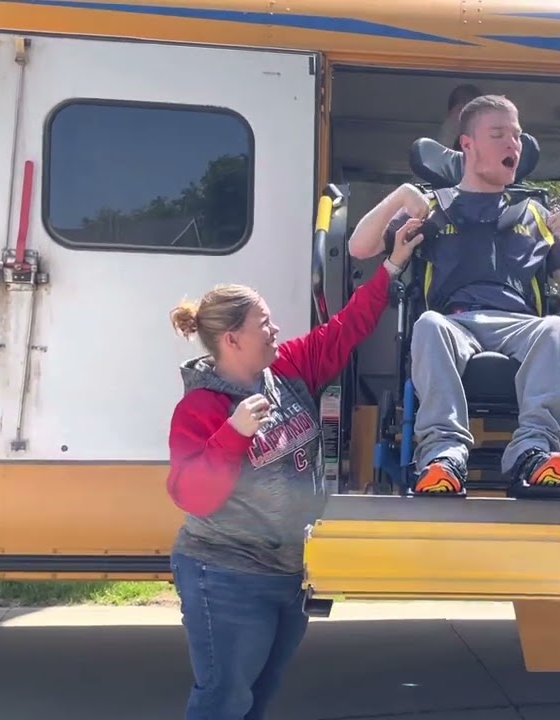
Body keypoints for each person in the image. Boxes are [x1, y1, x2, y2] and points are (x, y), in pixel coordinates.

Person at [163, 230, 422, 720]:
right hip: (225, 575)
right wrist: (233, 434)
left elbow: (345, 329)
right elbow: (192, 495)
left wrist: (391, 267)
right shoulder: (200, 406)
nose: (276, 330)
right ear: (232, 338)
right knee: (224, 699)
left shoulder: (286, 371)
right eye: (265, 323)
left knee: (257, 698)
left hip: (289, 575)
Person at [349, 93, 560, 496]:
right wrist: (399, 196)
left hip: (521, 327)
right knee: (428, 324)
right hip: (454, 324)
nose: (512, 145)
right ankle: (443, 457)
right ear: (467, 144)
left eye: (517, 136)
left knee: (555, 329)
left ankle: (533, 452)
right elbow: (360, 248)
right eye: (498, 134)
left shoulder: (535, 212)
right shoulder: (433, 206)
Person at [439, 83, 560, 182]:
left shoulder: (510, 160)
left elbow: (559, 165)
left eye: (516, 135)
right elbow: (424, 176)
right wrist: (452, 125)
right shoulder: (444, 168)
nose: (510, 143)